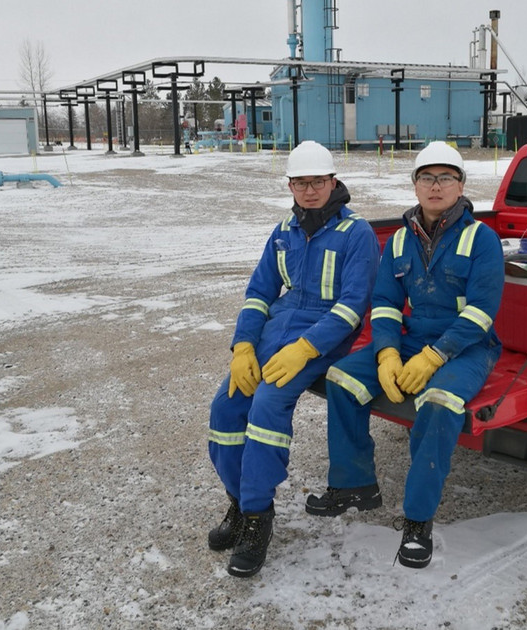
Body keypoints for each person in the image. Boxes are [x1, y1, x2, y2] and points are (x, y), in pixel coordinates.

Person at [306, 141, 504, 569]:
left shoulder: (481, 239)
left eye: (445, 178)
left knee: (438, 404)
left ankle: (417, 520)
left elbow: (482, 312)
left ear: (461, 185)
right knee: (341, 380)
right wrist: (387, 354)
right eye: (427, 178)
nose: (436, 187)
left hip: (467, 347)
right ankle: (354, 484)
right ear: (414, 185)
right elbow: (384, 303)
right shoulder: (398, 240)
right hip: (411, 341)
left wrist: (435, 357)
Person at [206, 140, 379, 578]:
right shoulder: (284, 229)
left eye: (317, 181)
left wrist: (307, 348)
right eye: (300, 183)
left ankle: (258, 520)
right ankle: (240, 506)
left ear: (333, 182)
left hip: (322, 337)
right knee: (226, 406)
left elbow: (352, 305)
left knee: (267, 405)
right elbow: (260, 292)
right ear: (290, 185)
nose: (309, 190)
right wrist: (243, 345)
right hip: (274, 332)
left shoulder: (355, 233)